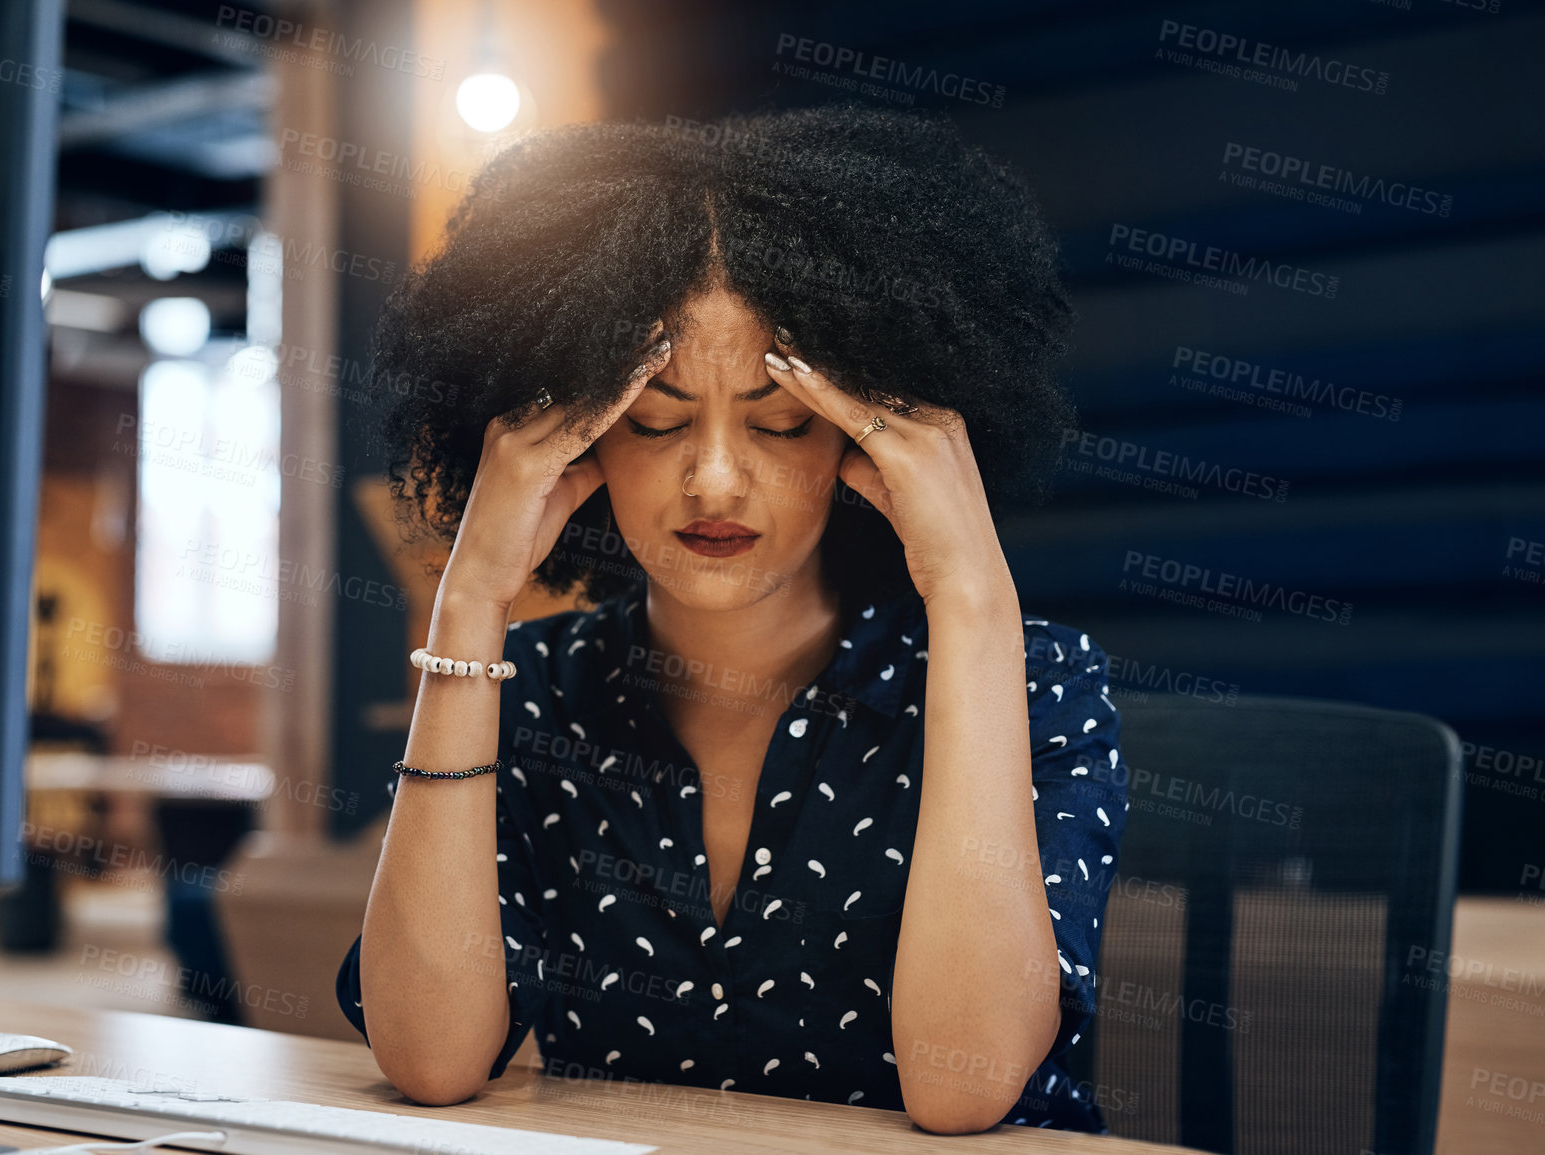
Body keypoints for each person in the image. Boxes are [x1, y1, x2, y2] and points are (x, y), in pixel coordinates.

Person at [336, 103, 1126, 1135]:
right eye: (658, 418)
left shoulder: (1036, 683)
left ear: (865, 434)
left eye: (781, 418)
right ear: (574, 432)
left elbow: (963, 1086)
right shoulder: (531, 691)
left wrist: (971, 595)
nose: (714, 478)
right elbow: (432, 1062)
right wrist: (471, 605)